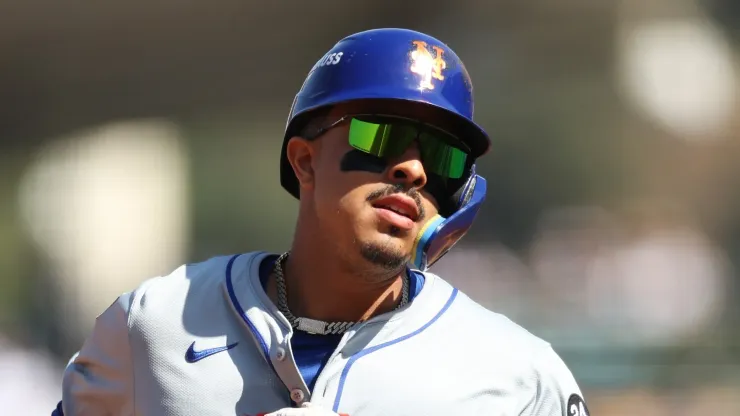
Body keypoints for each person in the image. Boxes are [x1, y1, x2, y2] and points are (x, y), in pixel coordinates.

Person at [53, 28, 590, 416]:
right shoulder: (154, 323)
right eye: (378, 135)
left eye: (445, 156)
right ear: (305, 161)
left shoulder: (518, 373)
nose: (414, 168)